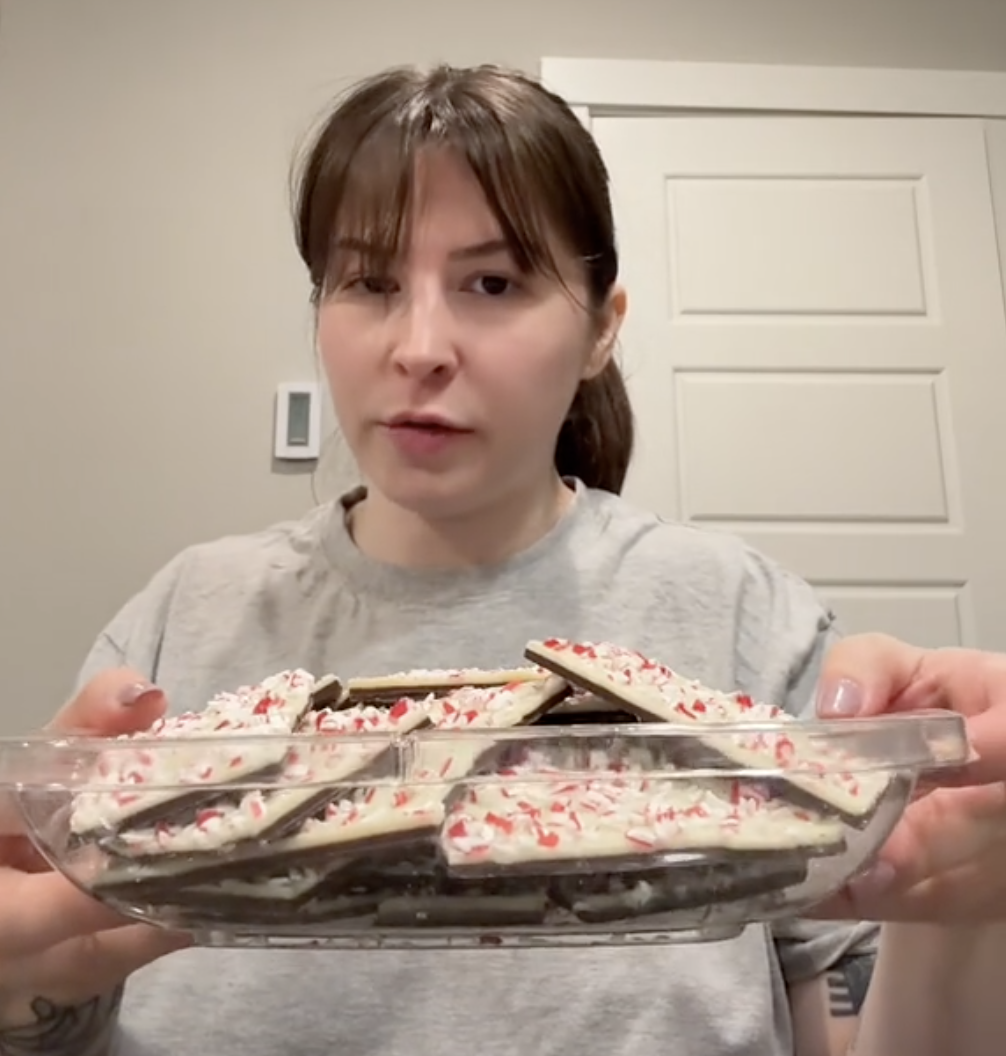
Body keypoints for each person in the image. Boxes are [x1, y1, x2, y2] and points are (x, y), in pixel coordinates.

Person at [0, 63, 1003, 1056]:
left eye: (492, 282)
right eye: (370, 281)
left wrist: (966, 922)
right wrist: (20, 980)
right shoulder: (183, 617)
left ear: (601, 328)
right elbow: (53, 1019)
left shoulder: (738, 613)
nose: (419, 345)